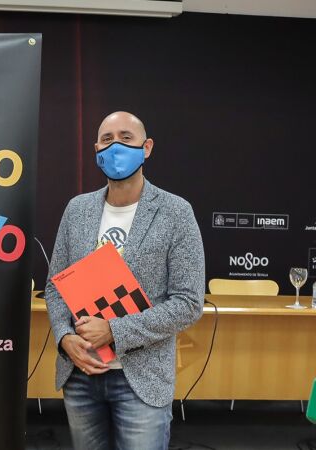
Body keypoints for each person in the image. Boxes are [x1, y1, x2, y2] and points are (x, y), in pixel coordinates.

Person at [45, 111, 205, 449]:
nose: (115, 145)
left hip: (142, 379)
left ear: (147, 148)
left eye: (126, 137)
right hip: (81, 374)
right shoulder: (77, 209)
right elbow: (55, 286)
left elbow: (189, 303)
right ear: (96, 150)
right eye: (107, 139)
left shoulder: (176, 212)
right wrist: (63, 337)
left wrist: (114, 331)